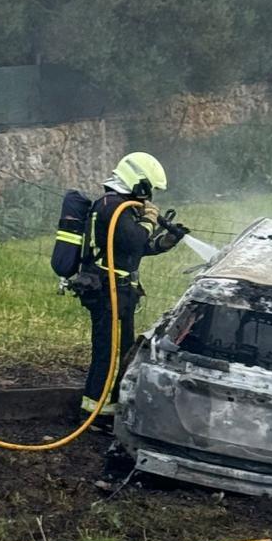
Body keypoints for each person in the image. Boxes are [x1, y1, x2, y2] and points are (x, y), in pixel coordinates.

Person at [78, 152, 186, 416]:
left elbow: (132, 249)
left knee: (123, 351)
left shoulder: (119, 206)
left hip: (120, 291)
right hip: (106, 290)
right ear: (138, 183)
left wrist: (163, 243)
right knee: (109, 353)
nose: (149, 198)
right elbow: (133, 239)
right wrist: (149, 220)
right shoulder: (111, 206)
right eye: (148, 190)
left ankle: (112, 407)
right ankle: (93, 413)